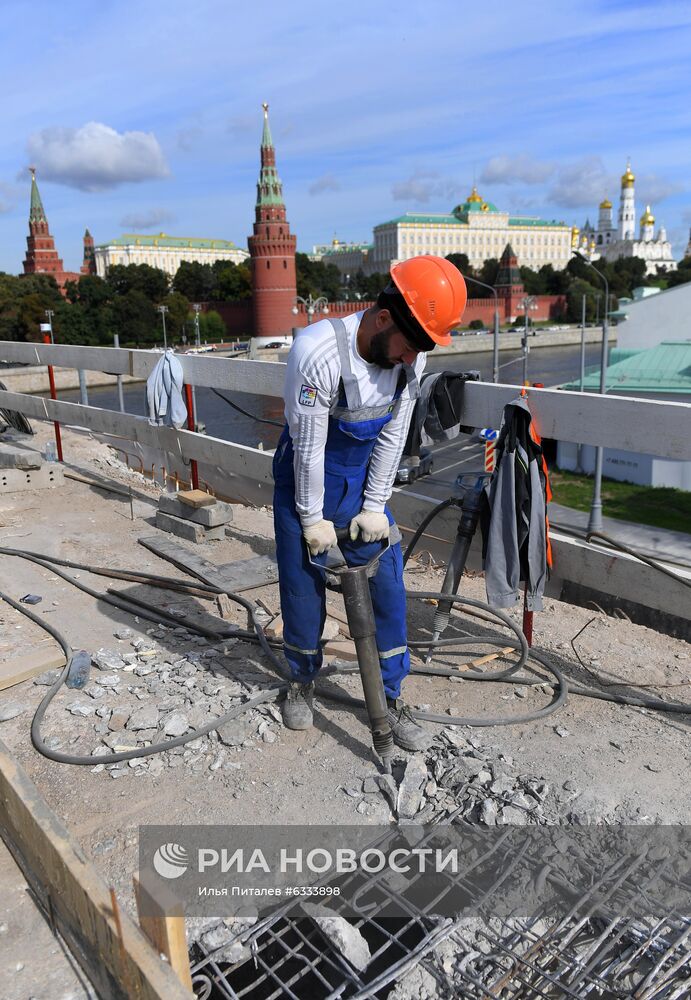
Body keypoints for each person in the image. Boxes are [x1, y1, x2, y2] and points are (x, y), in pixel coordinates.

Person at [272, 255, 467, 749]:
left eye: (419, 351)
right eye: (407, 347)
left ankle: (391, 691)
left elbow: (394, 435)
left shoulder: (409, 356)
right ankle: (300, 678)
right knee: (302, 583)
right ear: (383, 318)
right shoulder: (319, 352)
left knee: (388, 586)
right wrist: (313, 520)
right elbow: (310, 449)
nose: (410, 360)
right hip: (307, 476)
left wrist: (376, 505)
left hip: (362, 482)